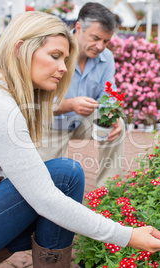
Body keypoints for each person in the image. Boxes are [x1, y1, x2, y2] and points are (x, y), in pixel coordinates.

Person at [0, 11, 160, 268]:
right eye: (55, 56)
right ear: (21, 49)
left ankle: (102, 197)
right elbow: (42, 195)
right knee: (64, 178)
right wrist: (128, 236)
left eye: (65, 59)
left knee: (64, 181)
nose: (63, 68)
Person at [37, 2, 125, 188]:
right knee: (45, 182)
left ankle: (107, 192)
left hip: (84, 120)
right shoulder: (55, 52)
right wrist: (69, 104)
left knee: (118, 127)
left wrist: (111, 114)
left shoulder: (106, 57)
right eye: (95, 38)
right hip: (51, 124)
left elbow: (109, 93)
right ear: (78, 27)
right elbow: (37, 103)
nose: (100, 46)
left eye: (106, 41)